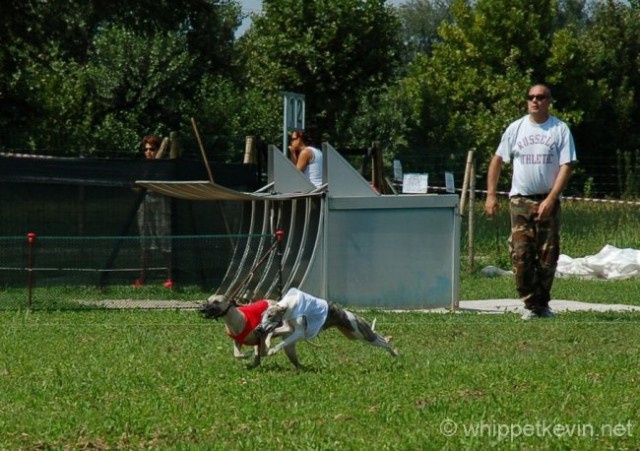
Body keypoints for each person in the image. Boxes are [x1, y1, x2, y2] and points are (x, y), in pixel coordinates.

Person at [484, 84, 577, 319]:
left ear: (548, 101)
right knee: (521, 254)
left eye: (540, 97)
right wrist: (491, 195)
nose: (535, 101)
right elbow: (497, 161)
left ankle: (542, 304)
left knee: (548, 256)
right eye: (531, 97)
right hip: (520, 201)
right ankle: (530, 303)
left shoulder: (560, 129)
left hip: (548, 200)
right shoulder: (516, 128)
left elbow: (567, 166)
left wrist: (551, 198)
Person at [134, 135, 173, 289]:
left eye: (152, 149)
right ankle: (142, 277)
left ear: (158, 150)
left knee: (165, 241)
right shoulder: (142, 167)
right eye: (146, 149)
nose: (148, 152)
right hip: (144, 204)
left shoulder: (165, 167)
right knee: (145, 242)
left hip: (161, 204)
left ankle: (170, 277)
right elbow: (134, 186)